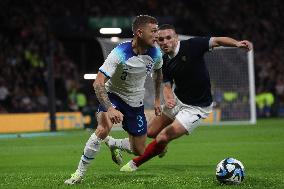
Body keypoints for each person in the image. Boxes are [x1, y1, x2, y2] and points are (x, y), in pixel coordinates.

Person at [108, 24, 252, 172]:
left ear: (176, 38)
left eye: (168, 38)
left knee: (163, 137)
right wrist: (169, 97)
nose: (165, 42)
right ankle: (117, 143)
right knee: (150, 132)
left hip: (196, 108)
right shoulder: (163, 61)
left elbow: (217, 41)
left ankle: (134, 164)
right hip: (178, 100)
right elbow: (167, 84)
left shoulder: (192, 45)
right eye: (161, 39)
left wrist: (237, 43)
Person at [64, 15, 163, 185]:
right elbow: (98, 83)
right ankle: (78, 174)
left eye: (157, 31)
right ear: (139, 32)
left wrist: (156, 100)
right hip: (113, 95)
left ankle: (113, 143)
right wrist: (109, 108)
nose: (157, 35)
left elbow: (159, 74)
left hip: (135, 102)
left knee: (139, 150)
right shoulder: (120, 52)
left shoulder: (156, 53)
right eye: (153, 31)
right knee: (103, 129)